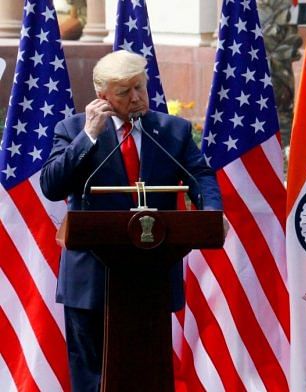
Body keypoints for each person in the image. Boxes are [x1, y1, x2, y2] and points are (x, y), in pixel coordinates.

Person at [40, 50, 222, 391]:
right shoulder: (72, 130)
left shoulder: (172, 131)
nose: (137, 97)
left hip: (151, 273)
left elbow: (200, 175)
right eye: (125, 92)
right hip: (92, 280)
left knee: (148, 373)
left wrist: (211, 213)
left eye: (140, 87)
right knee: (93, 377)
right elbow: (52, 186)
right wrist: (89, 136)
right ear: (103, 97)